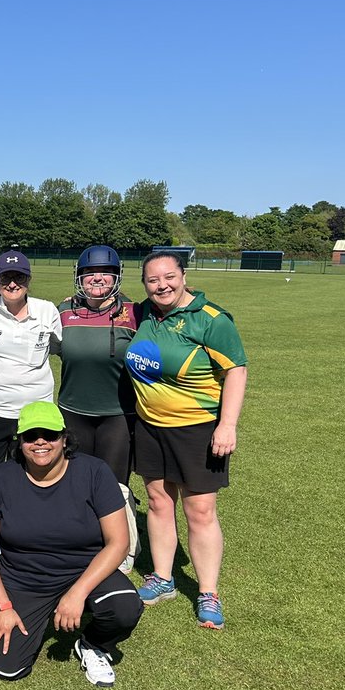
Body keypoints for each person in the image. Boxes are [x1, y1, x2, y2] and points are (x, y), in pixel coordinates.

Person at [0, 401, 144, 687]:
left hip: (84, 570)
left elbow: (118, 542)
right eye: (30, 436)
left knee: (123, 606)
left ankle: (93, 643)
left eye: (50, 434)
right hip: (25, 578)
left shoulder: (94, 472)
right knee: (6, 667)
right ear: (20, 441)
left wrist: (77, 592)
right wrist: (2, 606)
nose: (40, 442)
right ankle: (37, 611)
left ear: (65, 438)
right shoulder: (1, 477)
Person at [125, 252, 248, 630]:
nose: (162, 285)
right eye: (152, 279)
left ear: (183, 276)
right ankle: (163, 578)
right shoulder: (143, 312)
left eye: (169, 277)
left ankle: (208, 592)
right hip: (150, 426)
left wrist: (227, 424)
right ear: (144, 283)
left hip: (198, 429)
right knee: (160, 502)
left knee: (200, 511)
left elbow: (237, 371)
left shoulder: (211, 319)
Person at [0, 250, 62, 490]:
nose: (12, 284)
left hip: (36, 410)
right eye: (5, 278)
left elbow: (60, 348)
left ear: (28, 280)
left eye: (19, 277)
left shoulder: (47, 310)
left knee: (34, 478)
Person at [56, 245, 141, 485]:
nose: (97, 277)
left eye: (105, 271)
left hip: (118, 416)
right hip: (73, 412)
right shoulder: (63, 310)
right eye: (89, 271)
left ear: (116, 276)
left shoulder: (136, 312)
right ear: (79, 276)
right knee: (75, 480)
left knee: (113, 484)